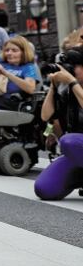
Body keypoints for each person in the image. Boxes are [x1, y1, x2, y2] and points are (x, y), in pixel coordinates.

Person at [35, 48, 83, 200]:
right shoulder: (67, 91)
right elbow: (45, 116)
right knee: (44, 188)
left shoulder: (73, 85)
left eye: (73, 66)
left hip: (76, 144)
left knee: (69, 141)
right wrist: (53, 86)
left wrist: (72, 82)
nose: (68, 71)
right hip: (77, 153)